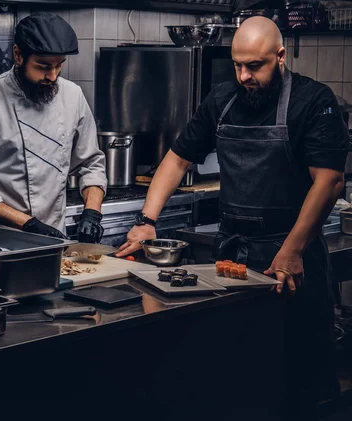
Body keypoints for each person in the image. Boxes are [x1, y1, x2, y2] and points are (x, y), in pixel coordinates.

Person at [116, 16, 347, 419]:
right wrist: (147, 218)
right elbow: (176, 158)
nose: (243, 75)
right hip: (232, 260)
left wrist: (291, 251)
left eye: (254, 66)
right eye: (237, 65)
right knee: (235, 380)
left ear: (279, 56)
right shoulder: (221, 99)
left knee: (297, 385)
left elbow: (328, 182)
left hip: (291, 262)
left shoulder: (313, 101)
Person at [0, 12, 107, 243]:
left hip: (55, 237)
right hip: (0, 241)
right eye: (43, 66)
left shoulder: (73, 96)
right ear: (18, 54)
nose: (53, 76)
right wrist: (29, 224)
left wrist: (92, 212)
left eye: (59, 66)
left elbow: (90, 163)